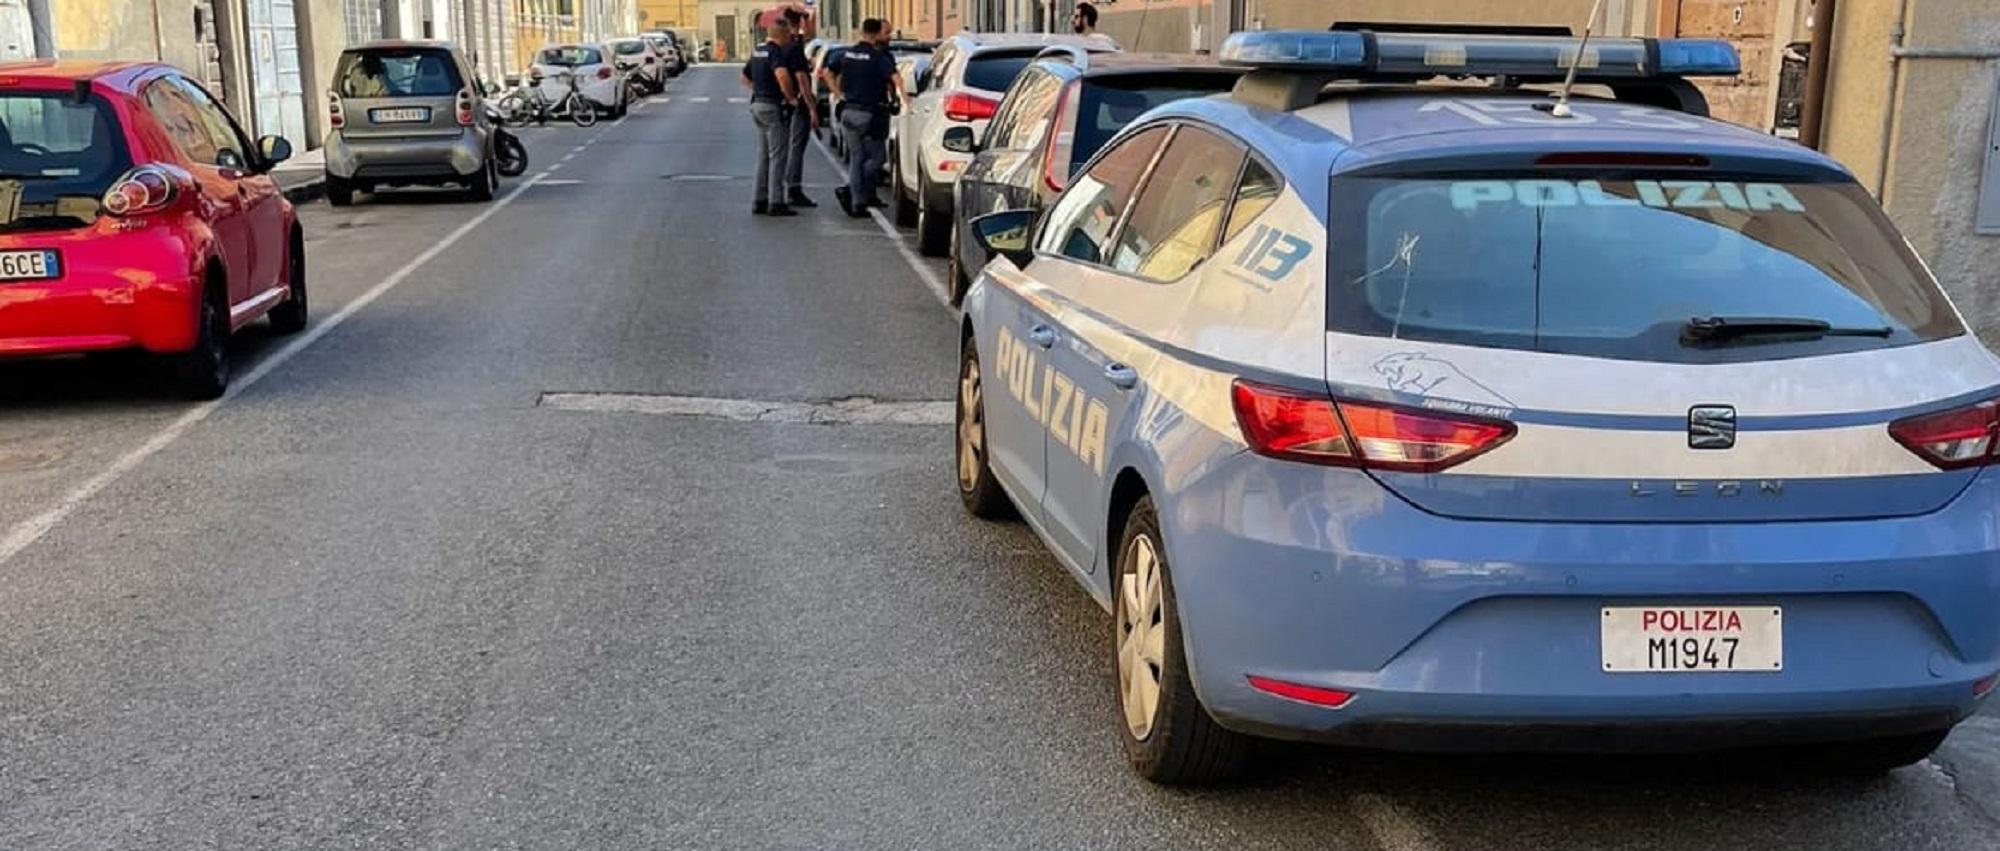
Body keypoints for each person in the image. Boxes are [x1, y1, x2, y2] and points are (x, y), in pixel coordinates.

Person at [826, 18, 903, 218]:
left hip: (848, 111)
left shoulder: (847, 53)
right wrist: (904, 99)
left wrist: (838, 94)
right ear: (876, 33)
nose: (889, 36)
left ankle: (856, 202)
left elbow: (827, 73)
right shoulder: (877, 57)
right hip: (869, 113)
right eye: (886, 33)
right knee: (877, 158)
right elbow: (895, 79)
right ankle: (853, 191)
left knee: (856, 158)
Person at [741, 18, 802, 216]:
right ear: (782, 34)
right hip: (773, 106)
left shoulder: (758, 50)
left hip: (757, 104)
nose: (790, 38)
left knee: (763, 155)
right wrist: (790, 98)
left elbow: (744, 78)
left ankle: (759, 199)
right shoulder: (776, 52)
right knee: (778, 156)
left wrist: (759, 89)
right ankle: (776, 202)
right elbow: (782, 75)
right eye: (789, 34)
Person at [780, 8, 819, 208]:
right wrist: (811, 108)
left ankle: (779, 188)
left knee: (784, 147)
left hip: (782, 102)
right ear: (800, 24)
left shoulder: (780, 46)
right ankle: (794, 189)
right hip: (798, 103)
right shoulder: (795, 48)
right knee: (796, 147)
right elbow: (802, 80)